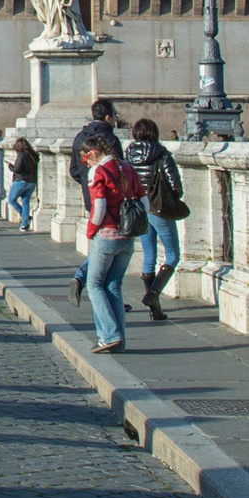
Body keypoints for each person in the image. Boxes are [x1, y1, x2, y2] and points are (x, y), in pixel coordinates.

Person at [78, 130, 143, 354]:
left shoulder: (99, 171)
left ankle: (108, 335)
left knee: (94, 286)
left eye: (86, 159)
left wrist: (90, 232)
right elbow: (144, 200)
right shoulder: (129, 168)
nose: (86, 164)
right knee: (113, 285)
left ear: (94, 153)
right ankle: (119, 340)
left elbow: (100, 208)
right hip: (128, 237)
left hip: (106, 235)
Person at [124, 118, 185, 321]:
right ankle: (153, 295)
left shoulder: (129, 154)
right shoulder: (162, 154)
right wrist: (175, 197)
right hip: (159, 208)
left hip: (140, 208)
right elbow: (175, 183)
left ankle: (155, 309)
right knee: (172, 255)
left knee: (149, 255)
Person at [4, 137, 39, 230]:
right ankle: (24, 225)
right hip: (31, 181)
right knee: (25, 202)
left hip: (21, 180)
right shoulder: (33, 155)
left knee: (11, 200)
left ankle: (25, 216)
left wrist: (10, 166)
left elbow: (17, 169)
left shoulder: (21, 155)